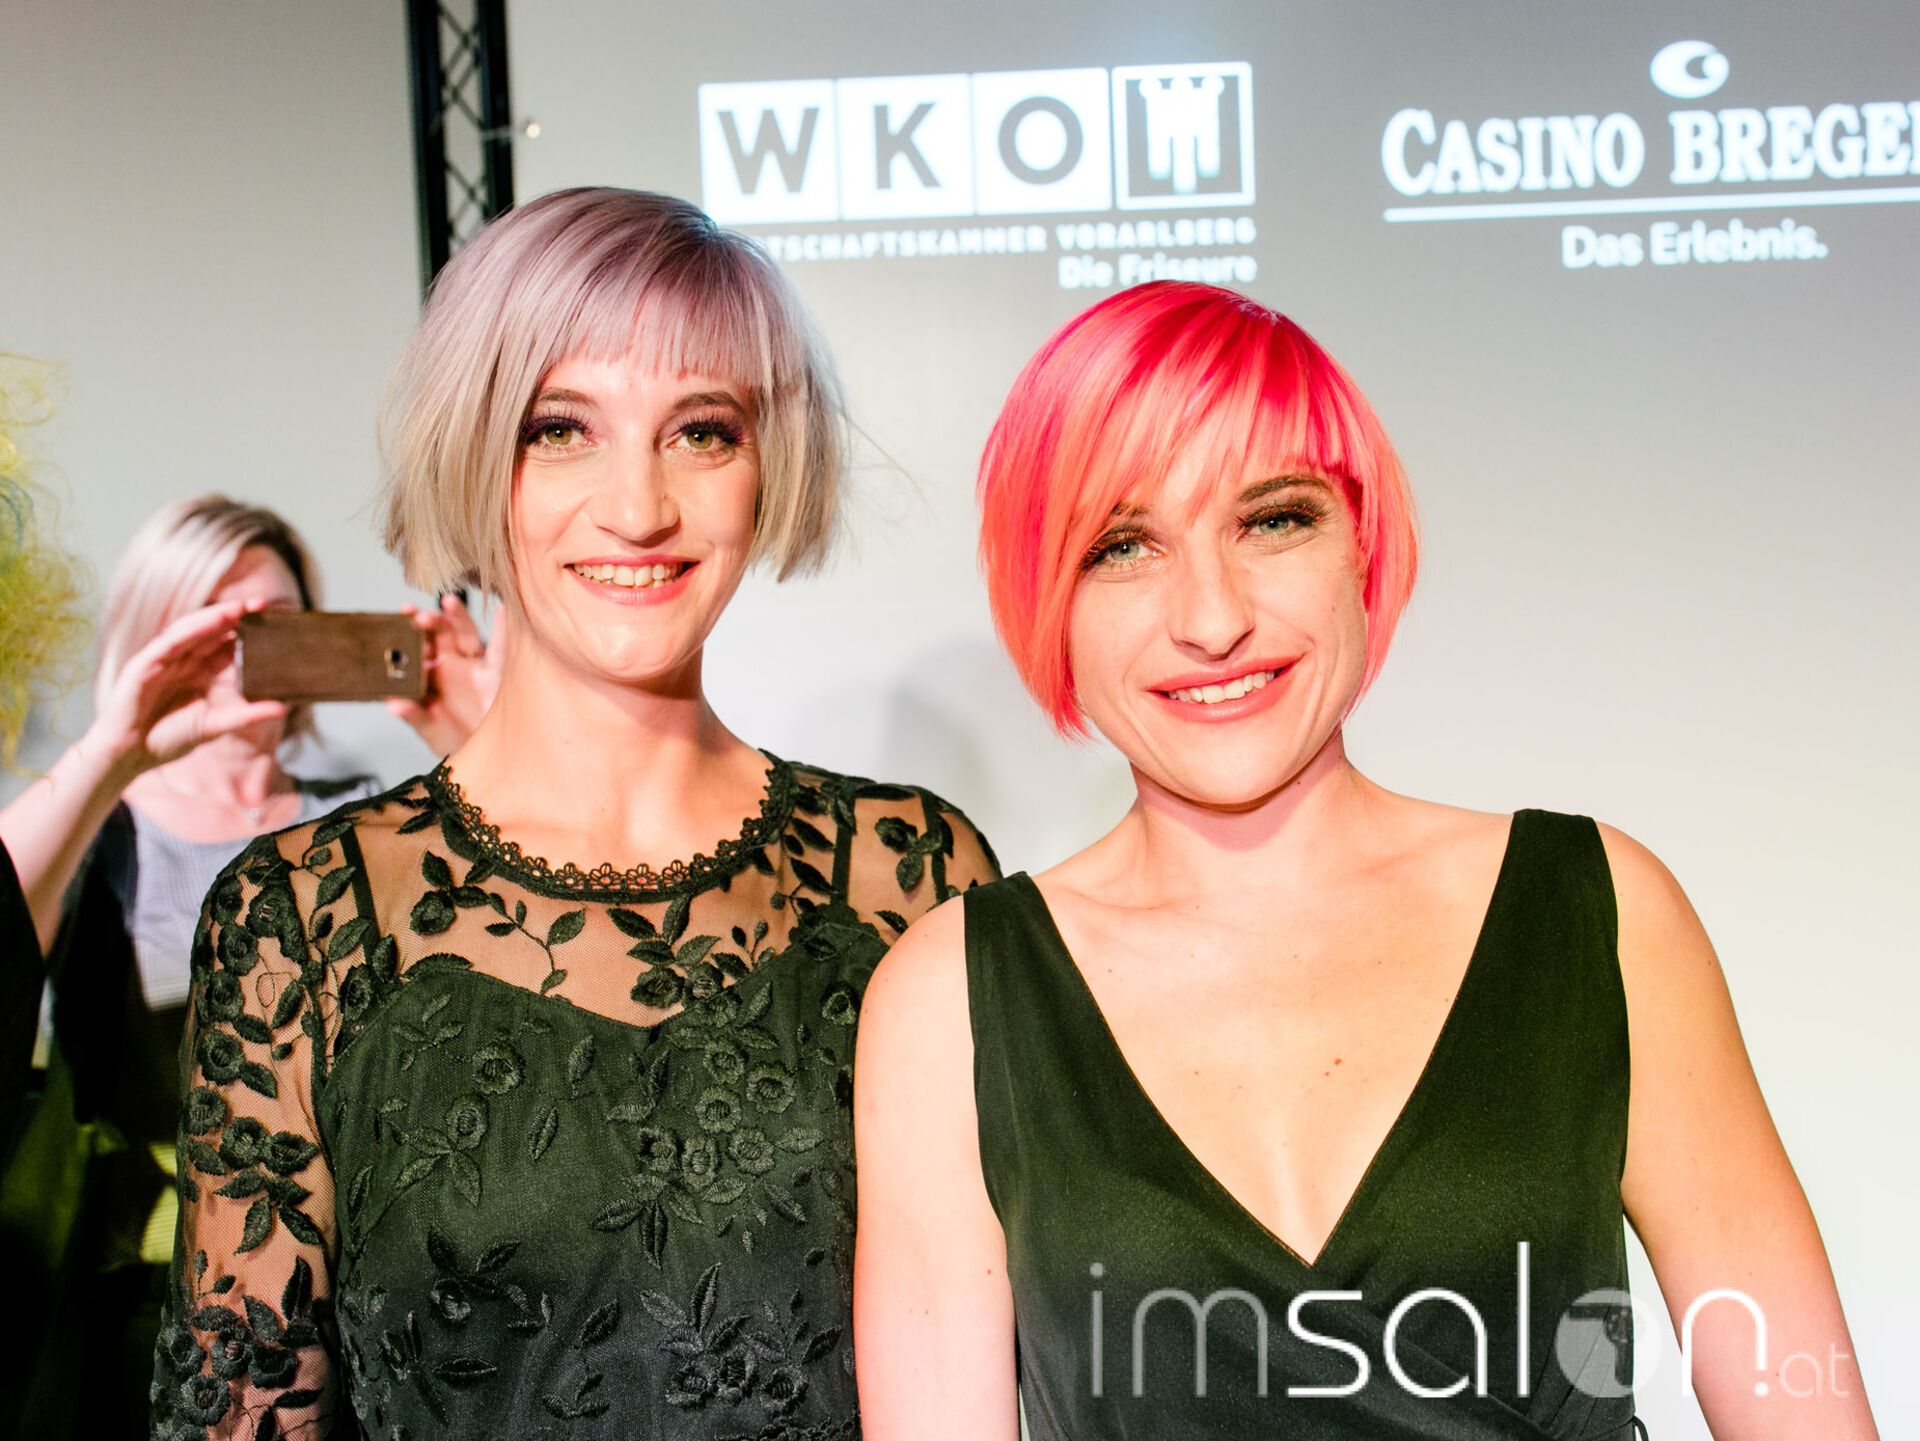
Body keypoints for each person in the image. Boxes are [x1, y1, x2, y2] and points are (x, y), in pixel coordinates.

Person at [852, 283, 1879, 1440]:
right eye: (1123, 546)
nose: (1212, 618)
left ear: (1363, 547)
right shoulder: (950, 1001)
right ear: (1048, 599)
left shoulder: (1599, 914)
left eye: (1273, 520)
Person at [149, 187, 998, 1440]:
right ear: (472, 454)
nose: (638, 506)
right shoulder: (307, 918)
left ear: (769, 464)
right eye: (561, 430)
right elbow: (242, 1415)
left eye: (701, 431)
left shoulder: (909, 874)